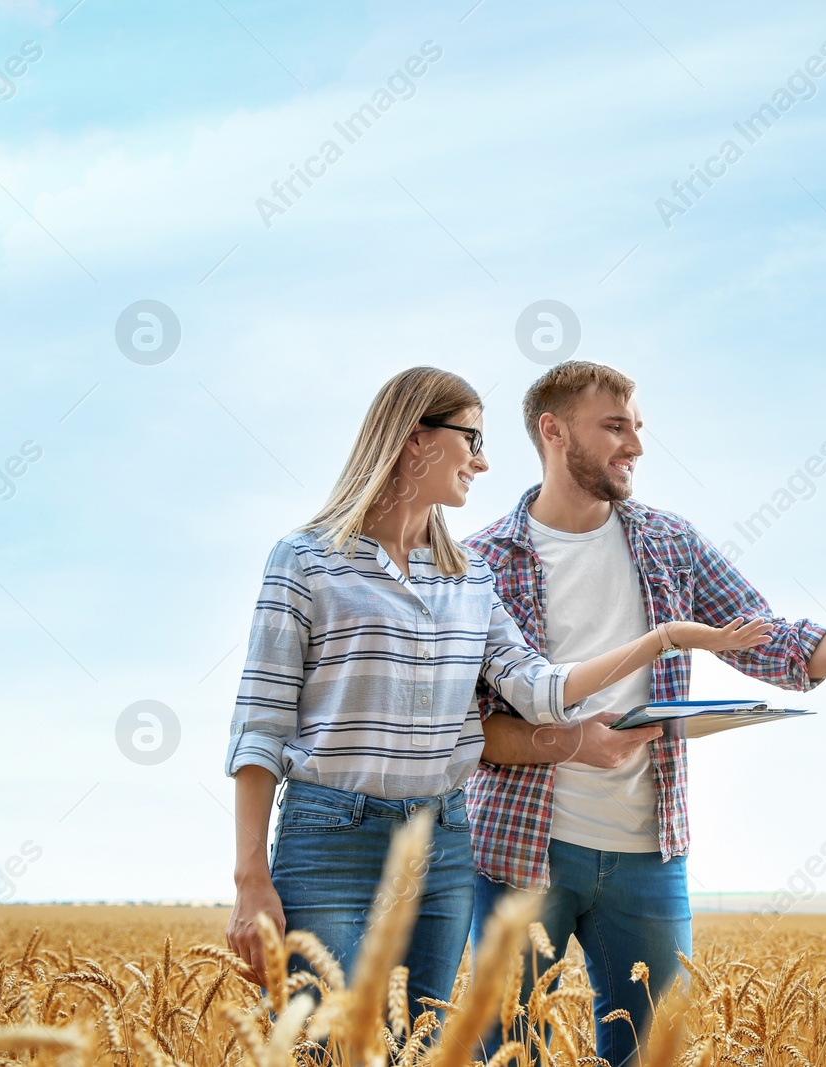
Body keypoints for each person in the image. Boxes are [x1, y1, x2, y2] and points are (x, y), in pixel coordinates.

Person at [465, 361, 826, 1065]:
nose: (636, 447)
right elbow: (459, 729)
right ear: (553, 430)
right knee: (502, 1050)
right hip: (521, 850)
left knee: (652, 1052)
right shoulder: (479, 563)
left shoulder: (669, 543)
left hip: (648, 853)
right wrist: (566, 741)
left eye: (638, 427)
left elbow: (771, 641)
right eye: (615, 427)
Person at [221, 366, 773, 1017]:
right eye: (472, 440)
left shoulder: (470, 577)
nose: (483, 463)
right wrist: (250, 875)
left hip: (444, 841)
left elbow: (539, 687)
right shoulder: (305, 558)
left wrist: (660, 640)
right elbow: (261, 722)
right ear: (415, 438)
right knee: (319, 1042)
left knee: (422, 1042)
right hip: (330, 838)